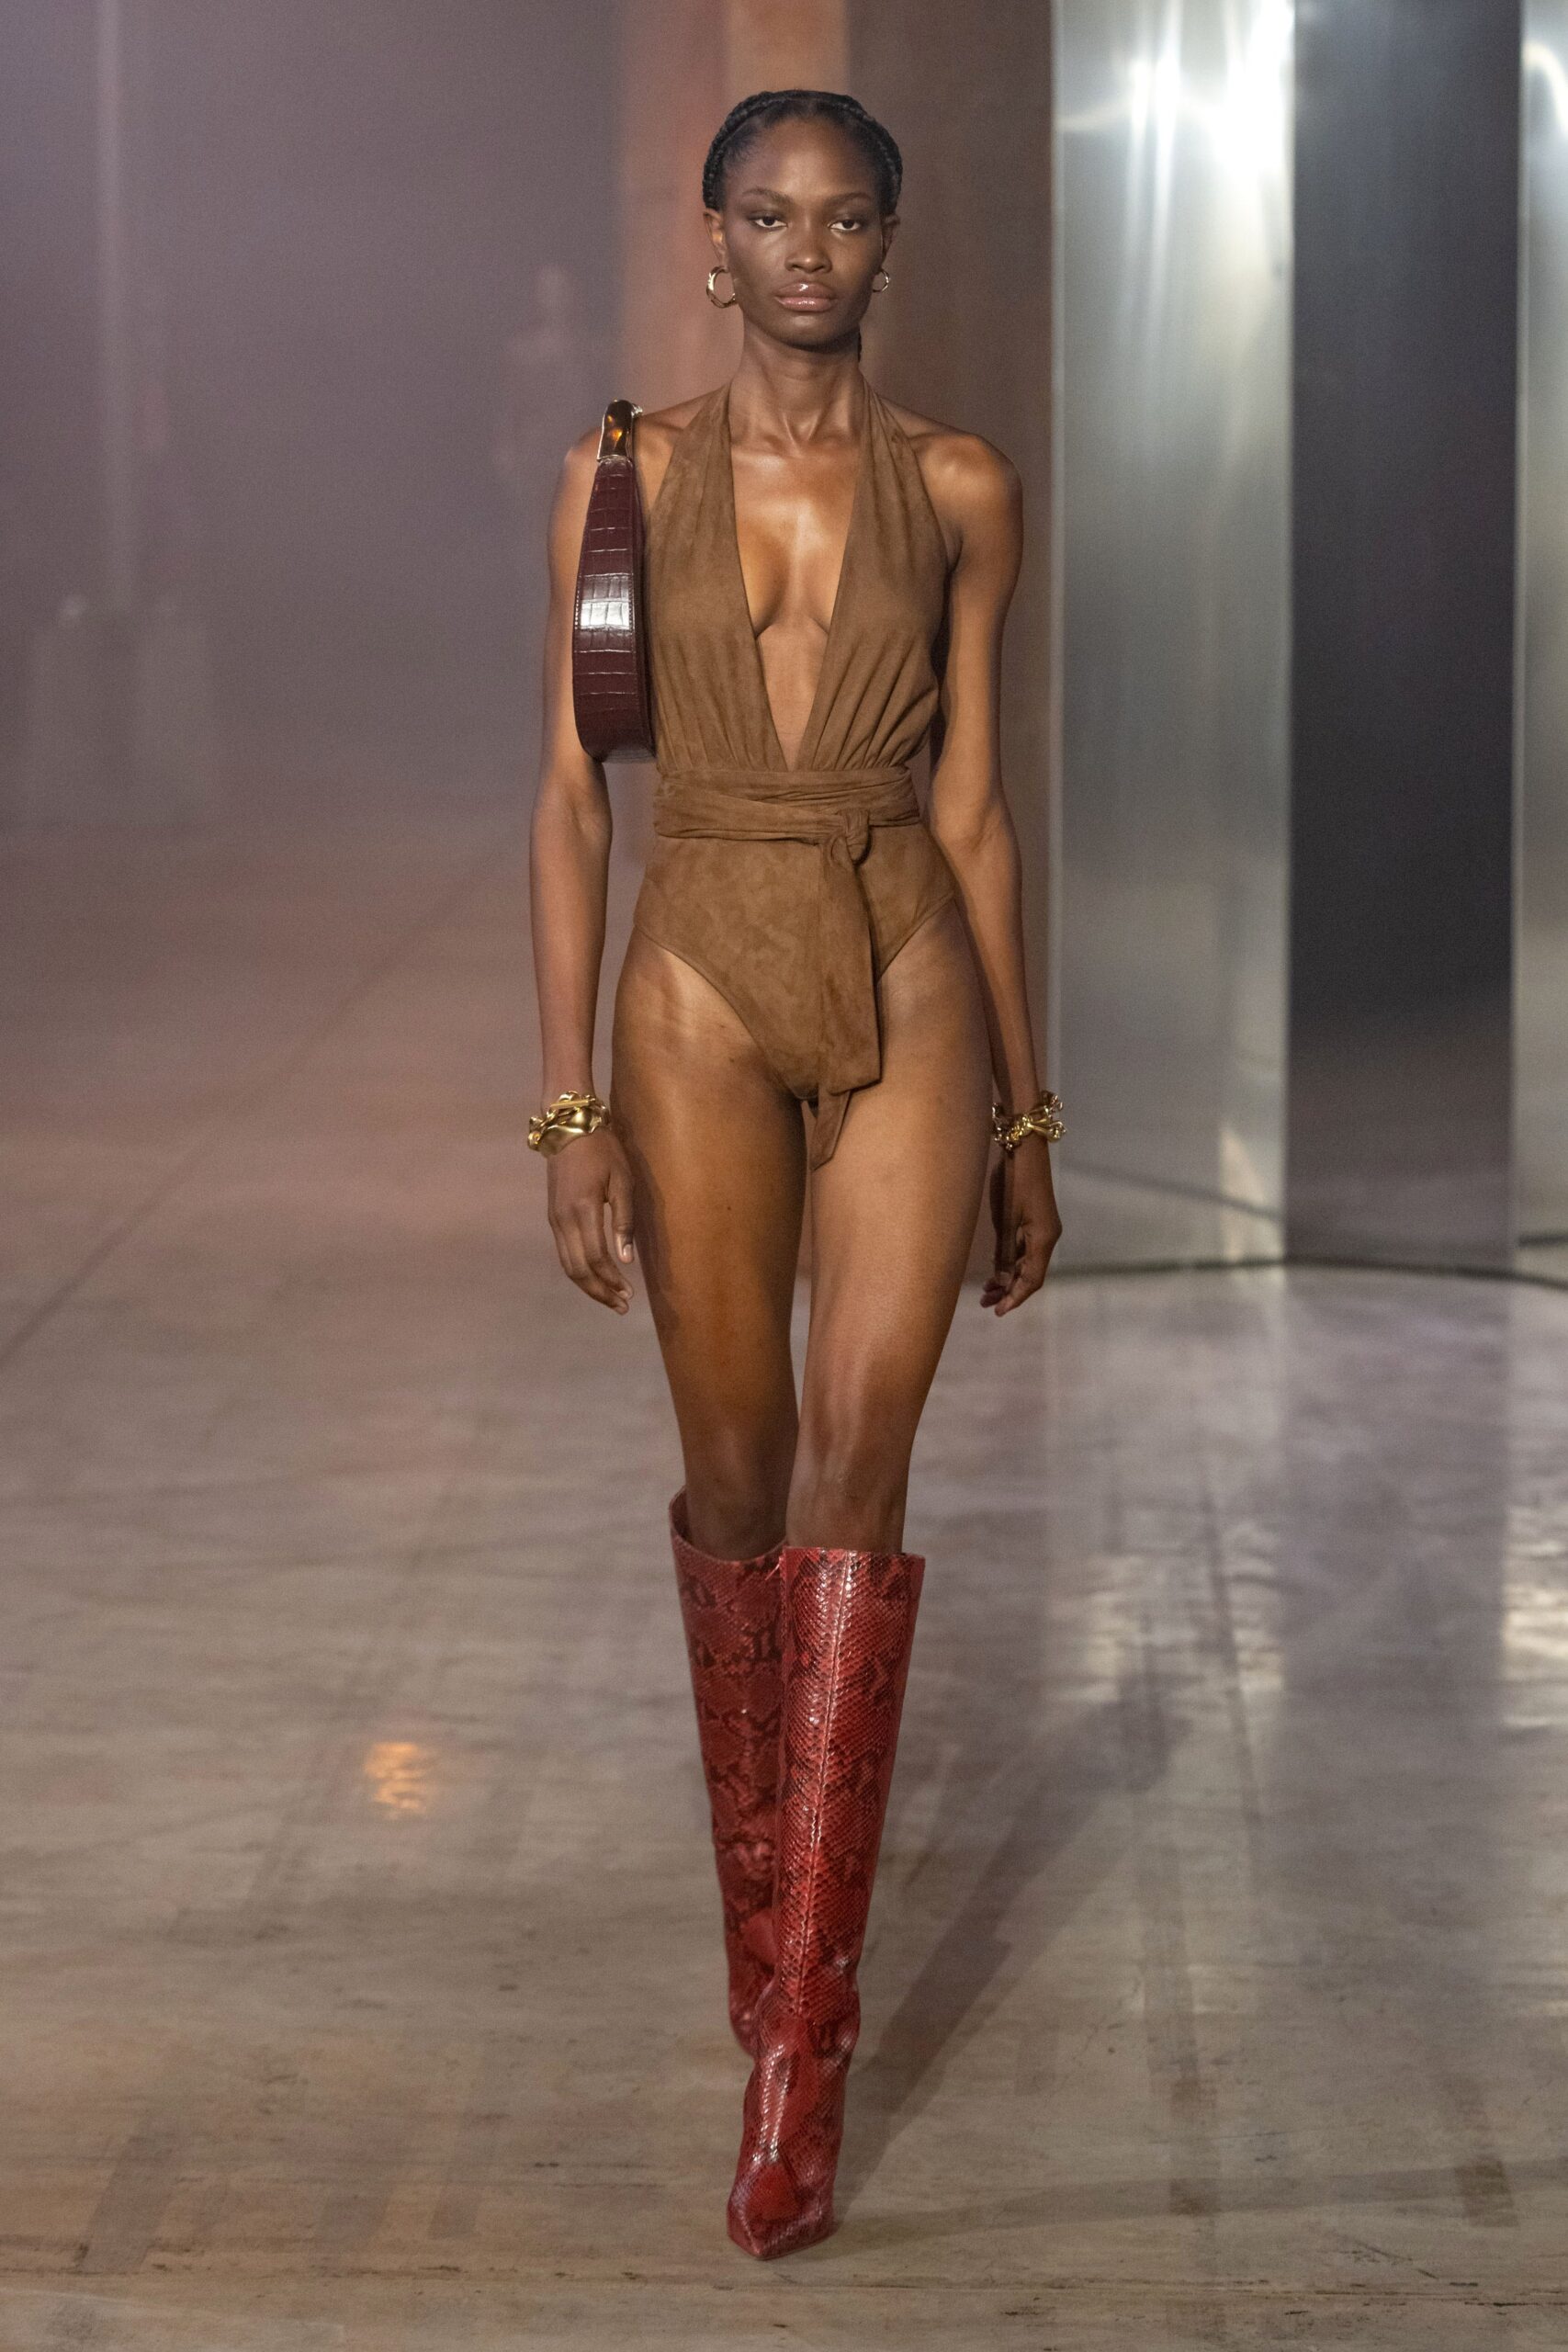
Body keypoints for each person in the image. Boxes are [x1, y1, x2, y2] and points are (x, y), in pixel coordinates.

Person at [527, 86, 1062, 2259]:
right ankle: (769, 1935)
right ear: (715, 240)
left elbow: (973, 809)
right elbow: (575, 789)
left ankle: (797, 2051)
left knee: (857, 1467)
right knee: (736, 1480)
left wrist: (1024, 1112)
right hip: (696, 971)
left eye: (844, 218)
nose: (807, 250)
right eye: (769, 215)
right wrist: (564, 1106)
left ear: (884, 245)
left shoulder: (958, 486)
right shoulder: (621, 474)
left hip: (902, 962)